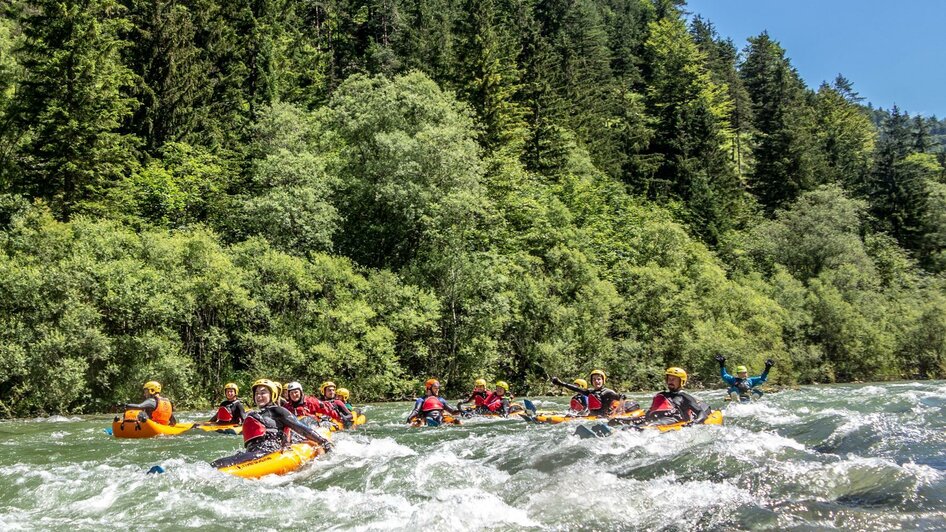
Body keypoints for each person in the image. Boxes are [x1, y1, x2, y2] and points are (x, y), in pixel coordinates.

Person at [210, 379, 332, 468]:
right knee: (216, 463)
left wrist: (323, 441)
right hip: (253, 451)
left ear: (272, 394)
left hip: (267, 451)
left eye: (263, 393)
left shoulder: (278, 411)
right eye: (257, 393)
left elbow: (301, 428)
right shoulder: (255, 413)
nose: (259, 396)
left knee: (217, 465)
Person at [644, 367, 711, 424]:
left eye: (674, 379)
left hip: (673, 422)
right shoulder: (661, 395)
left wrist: (694, 423)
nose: (671, 381)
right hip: (656, 422)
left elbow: (701, 413)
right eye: (669, 379)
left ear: (681, 382)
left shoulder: (684, 397)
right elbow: (650, 413)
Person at [551, 370, 625, 417]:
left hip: (603, 418)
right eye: (594, 379)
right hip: (590, 417)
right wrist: (561, 383)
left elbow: (621, 398)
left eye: (599, 379)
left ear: (603, 381)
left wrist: (618, 410)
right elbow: (576, 388)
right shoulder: (590, 392)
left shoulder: (608, 392)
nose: (596, 381)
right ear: (592, 381)